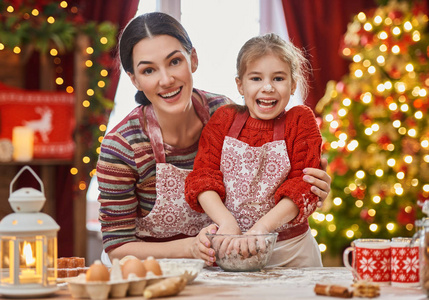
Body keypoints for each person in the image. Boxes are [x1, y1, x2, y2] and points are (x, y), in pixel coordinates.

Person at [96, 12, 331, 266]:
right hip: (152, 268)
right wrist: (190, 247)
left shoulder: (224, 113)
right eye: (149, 70)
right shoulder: (121, 147)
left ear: (193, 60)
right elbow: (117, 247)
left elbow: (267, 185)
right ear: (135, 80)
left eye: (174, 62)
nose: (166, 80)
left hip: (218, 265)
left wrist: (312, 185)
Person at [185, 33, 323, 267]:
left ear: (293, 85)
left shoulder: (301, 121)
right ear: (240, 84)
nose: (267, 87)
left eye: (278, 78)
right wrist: (227, 224)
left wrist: (262, 229)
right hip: (232, 249)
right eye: (256, 78)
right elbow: (202, 178)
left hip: (291, 252)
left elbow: (303, 185)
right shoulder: (224, 119)